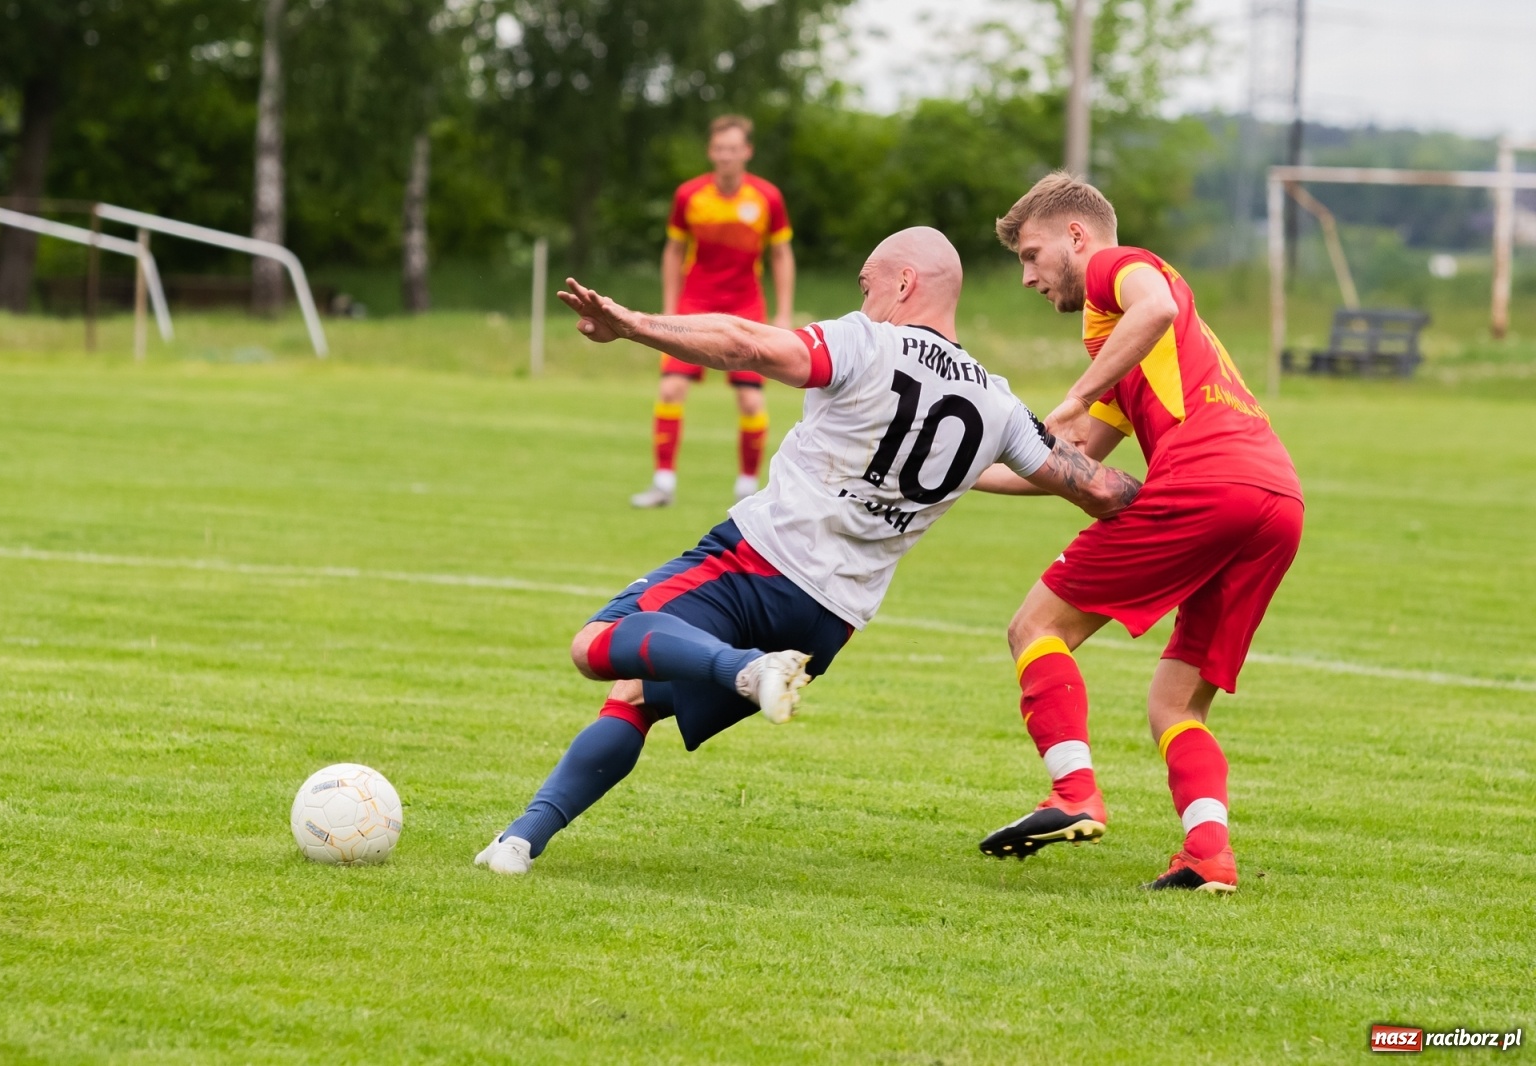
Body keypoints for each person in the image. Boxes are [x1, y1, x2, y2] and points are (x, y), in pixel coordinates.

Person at [475, 227, 1144, 875]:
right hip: (827, 625)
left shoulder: (866, 342)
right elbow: (1097, 488)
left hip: (757, 563)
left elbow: (746, 344)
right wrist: (1193, 471)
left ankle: (744, 668)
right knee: (638, 696)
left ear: (905, 283)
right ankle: (518, 842)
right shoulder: (996, 406)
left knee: (597, 644)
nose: (862, 300)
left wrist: (633, 324)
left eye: (867, 284)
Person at [974, 173, 1304, 894]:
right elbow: (1076, 464)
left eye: (1032, 255)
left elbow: (1148, 304)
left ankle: (1072, 795)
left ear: (1076, 236)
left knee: (1034, 626)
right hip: (1275, 496)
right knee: (1175, 704)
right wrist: (957, 475)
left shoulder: (1115, 271)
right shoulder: (1131, 352)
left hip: (1208, 482)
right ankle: (1208, 855)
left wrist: (1074, 392)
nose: (1029, 277)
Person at [630, 114, 795, 509]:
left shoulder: (767, 198)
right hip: (693, 305)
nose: (726, 156)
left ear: (747, 152)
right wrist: (669, 309)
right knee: (671, 388)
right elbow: (672, 251)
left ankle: (747, 490)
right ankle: (663, 484)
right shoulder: (689, 195)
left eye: (734, 149)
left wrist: (784, 314)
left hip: (746, 307)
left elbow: (781, 254)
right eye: (719, 149)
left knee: (751, 401)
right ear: (711, 152)